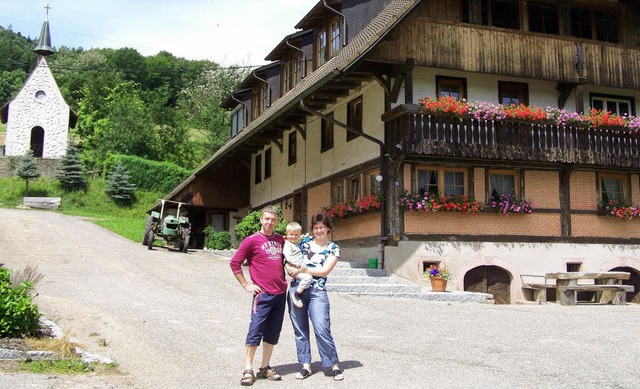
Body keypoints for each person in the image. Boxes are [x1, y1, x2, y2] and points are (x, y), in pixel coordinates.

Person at [230, 205, 286, 386]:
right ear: (261, 220)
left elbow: (291, 259)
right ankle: (248, 368)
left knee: (273, 333)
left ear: (277, 222)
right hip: (263, 295)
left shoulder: (280, 240)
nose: (270, 222)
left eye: (273, 220)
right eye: (267, 219)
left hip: (280, 294)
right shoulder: (251, 240)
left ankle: (264, 367)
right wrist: (246, 284)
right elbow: (235, 263)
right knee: (255, 330)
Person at [287, 213, 344, 381]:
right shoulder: (303, 243)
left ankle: (333, 364)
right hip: (297, 289)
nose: (318, 230)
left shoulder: (333, 248)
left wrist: (303, 270)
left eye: (322, 227)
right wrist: (290, 268)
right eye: (316, 227)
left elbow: (324, 271)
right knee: (300, 329)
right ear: (312, 229)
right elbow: (289, 255)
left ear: (328, 228)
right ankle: (305, 365)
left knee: (322, 327)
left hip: (317, 292)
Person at [283, 221, 314, 309]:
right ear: (287, 234)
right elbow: (288, 257)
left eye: (296, 235)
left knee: (308, 278)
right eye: (291, 234)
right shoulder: (288, 245)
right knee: (308, 278)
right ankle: (296, 295)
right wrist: (299, 264)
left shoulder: (296, 244)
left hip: (298, 267)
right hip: (294, 267)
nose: (294, 237)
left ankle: (301, 291)